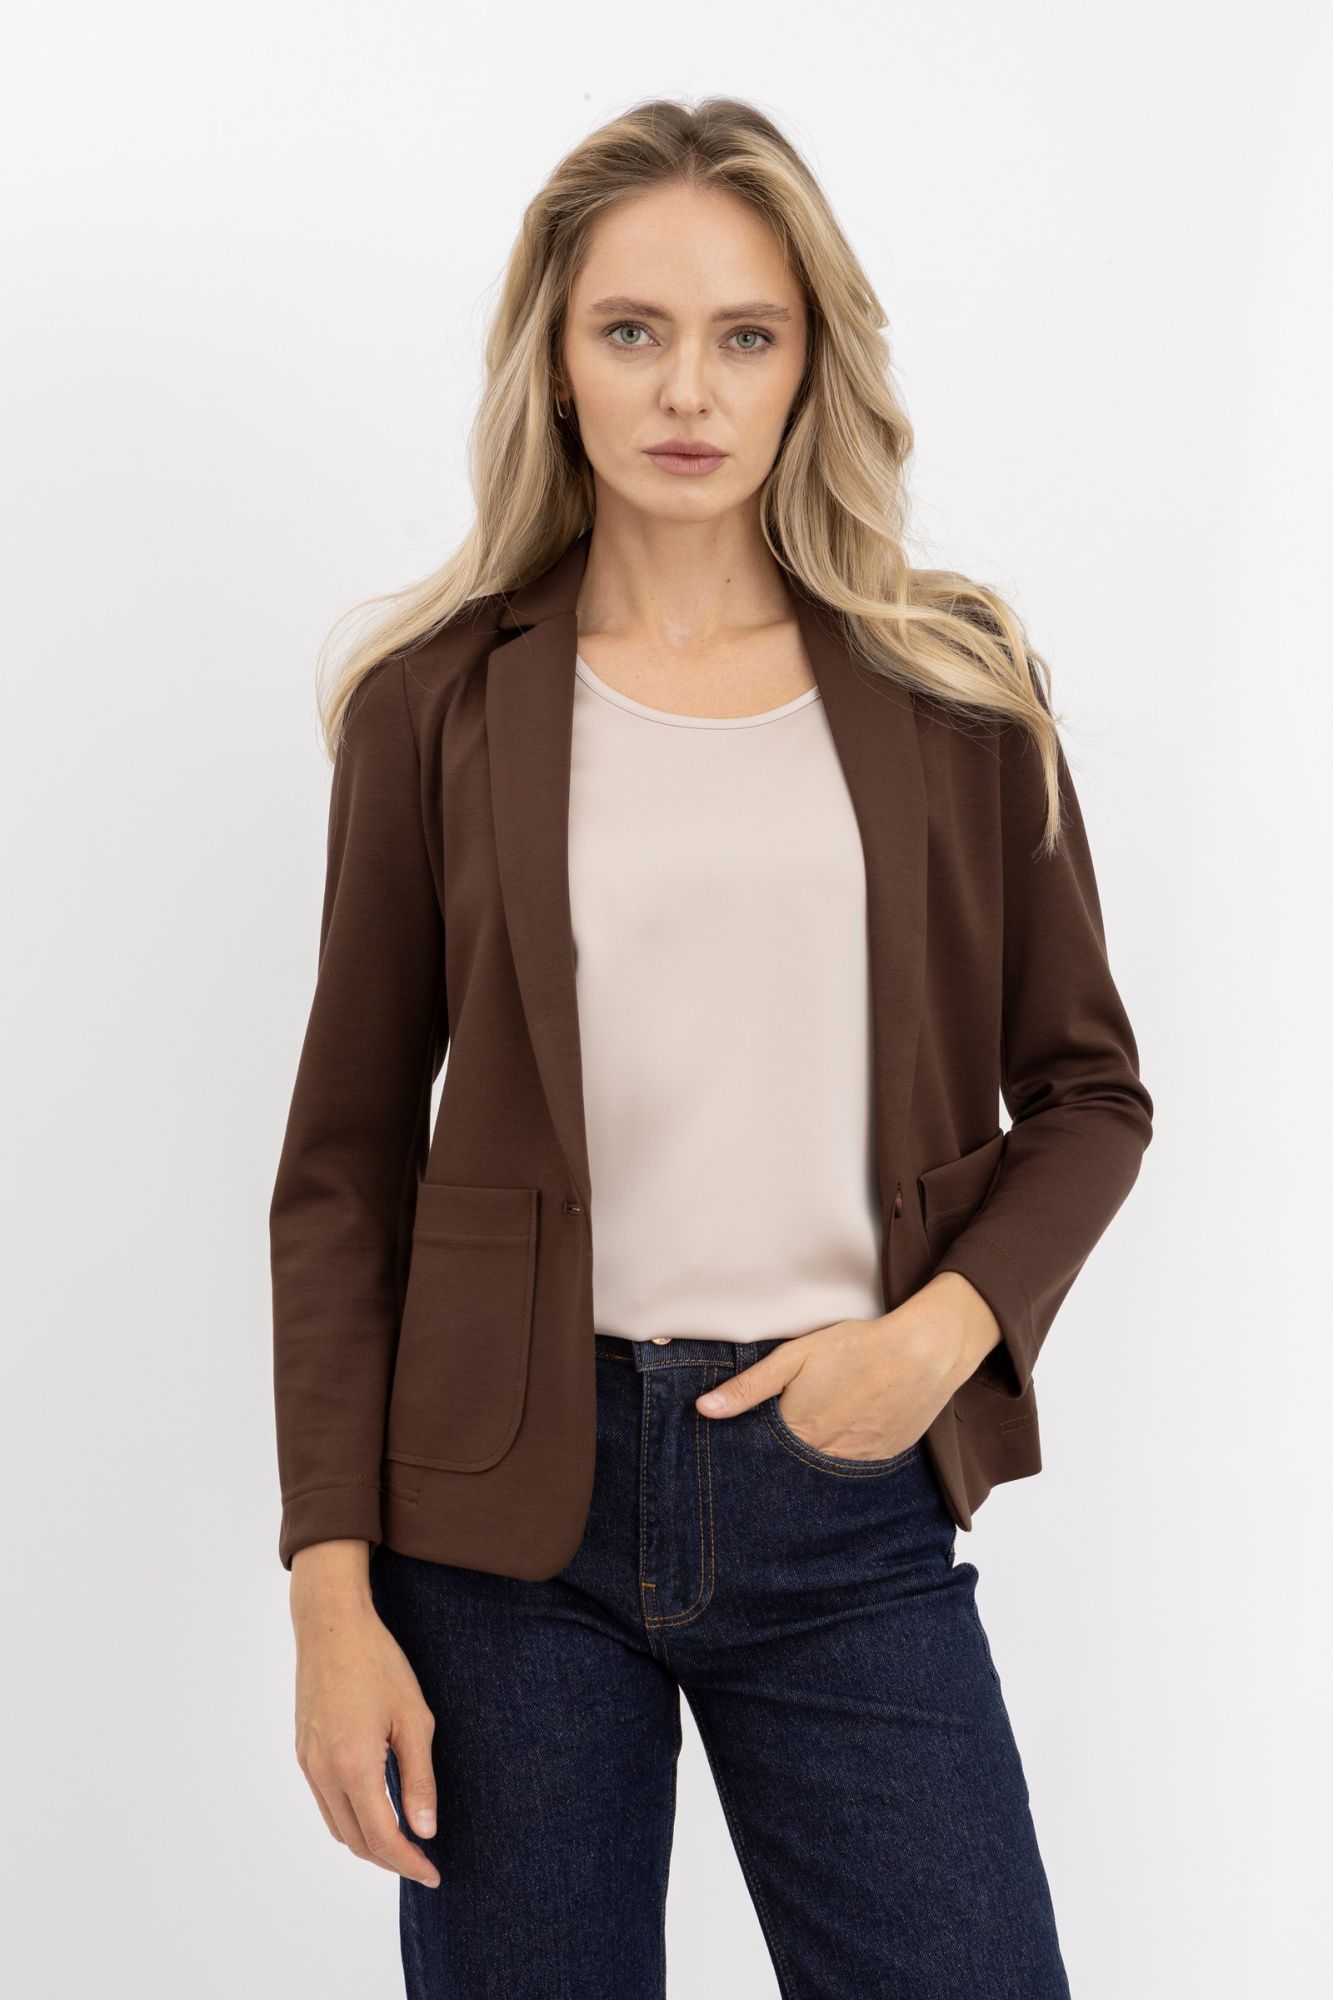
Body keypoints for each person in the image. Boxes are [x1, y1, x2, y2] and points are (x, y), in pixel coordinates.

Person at [269, 96, 1153, 1999]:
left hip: (842, 1488)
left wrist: (939, 1336)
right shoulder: (435, 704)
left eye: (745, 334)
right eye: (632, 331)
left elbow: (1089, 1092)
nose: (689, 389)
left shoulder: (953, 685)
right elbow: (341, 1173)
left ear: (809, 361)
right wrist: (329, 1595)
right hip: (504, 1521)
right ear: (555, 358)